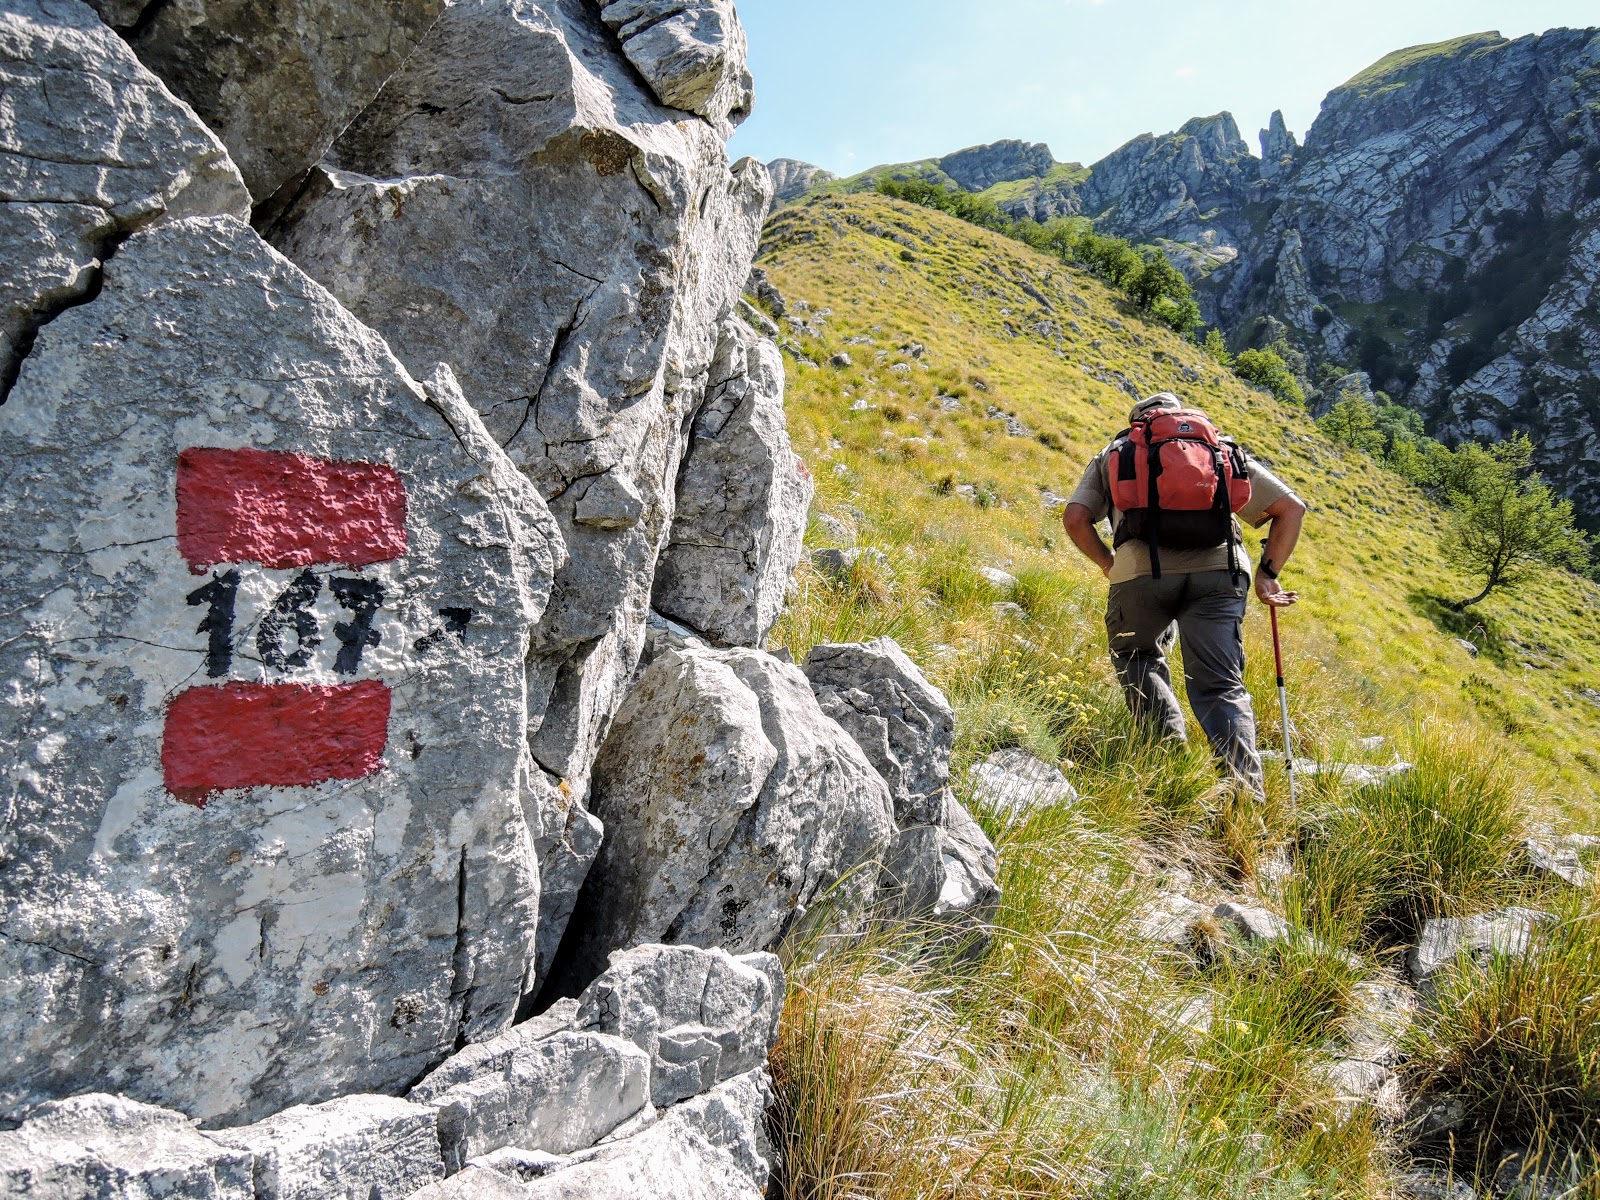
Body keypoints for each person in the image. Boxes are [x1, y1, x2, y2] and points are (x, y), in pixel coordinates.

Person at [1062, 392, 1305, 796]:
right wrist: (1267, 575)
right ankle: (1246, 797)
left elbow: (1075, 518)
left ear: (1137, 421)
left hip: (1140, 574)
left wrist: (1109, 564)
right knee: (1220, 686)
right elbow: (1291, 508)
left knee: (1136, 656)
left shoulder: (1117, 452)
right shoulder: (1220, 449)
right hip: (1220, 574)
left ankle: (1169, 765)